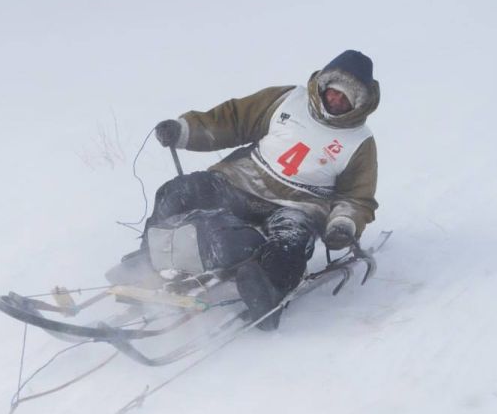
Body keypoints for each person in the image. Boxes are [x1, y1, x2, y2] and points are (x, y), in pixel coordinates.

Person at [139, 50, 380, 331]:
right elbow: (233, 119)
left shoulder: (360, 142)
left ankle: (266, 293)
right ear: (324, 85)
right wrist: (184, 130)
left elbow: (357, 198)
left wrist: (343, 223)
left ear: (358, 103)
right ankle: (149, 259)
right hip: (241, 180)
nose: (336, 100)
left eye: (346, 97)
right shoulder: (288, 99)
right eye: (334, 92)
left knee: (288, 247)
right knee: (179, 191)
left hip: (299, 206)